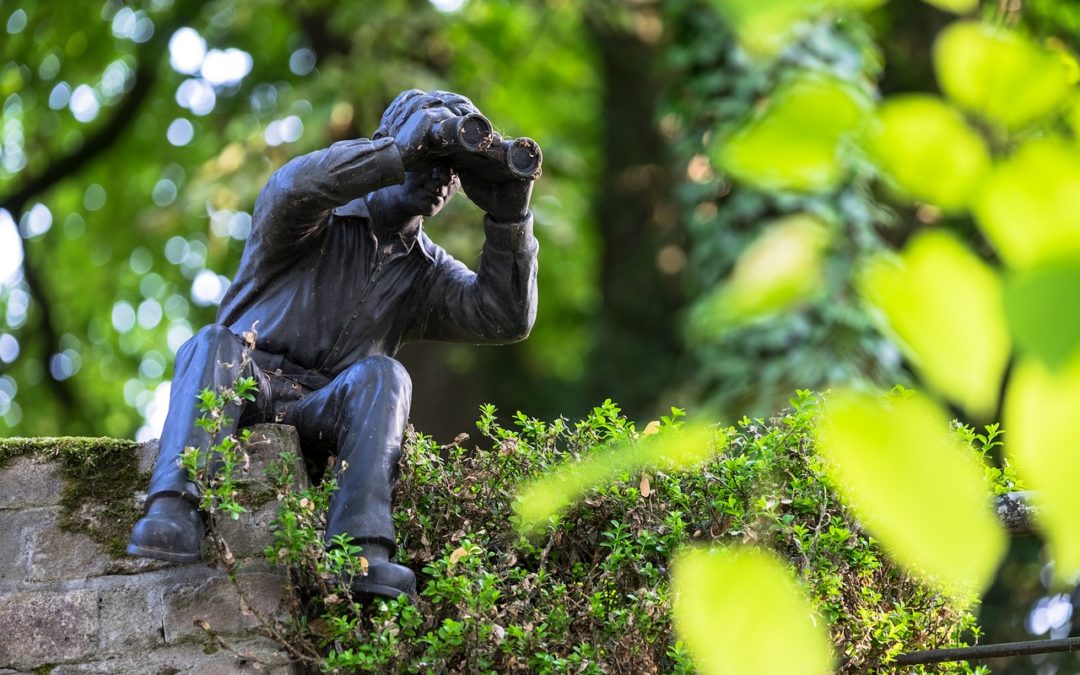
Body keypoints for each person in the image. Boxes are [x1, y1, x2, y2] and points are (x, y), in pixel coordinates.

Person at [127, 89, 539, 601]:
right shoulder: (315, 212)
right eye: (433, 159)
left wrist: (510, 219)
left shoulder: (425, 269)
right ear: (397, 145)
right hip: (244, 381)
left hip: (321, 411)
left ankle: (360, 553)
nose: (441, 179)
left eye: (454, 170)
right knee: (212, 343)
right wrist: (393, 155)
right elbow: (292, 187)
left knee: (384, 374)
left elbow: (503, 317)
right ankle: (173, 505)